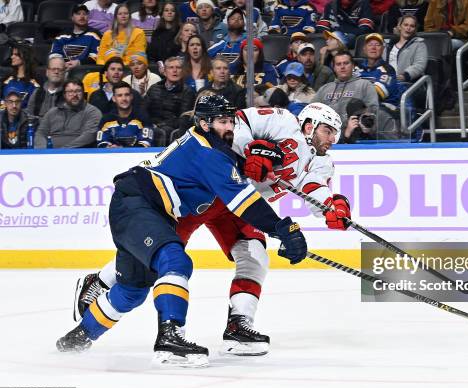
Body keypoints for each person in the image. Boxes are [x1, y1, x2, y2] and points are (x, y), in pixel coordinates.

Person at [71, 100, 348, 357]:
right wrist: (250, 152)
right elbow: (238, 123)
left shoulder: (322, 161)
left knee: (255, 256)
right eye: (328, 130)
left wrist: (334, 207)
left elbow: (315, 189)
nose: (332, 138)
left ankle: (239, 325)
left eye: (335, 133)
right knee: (161, 252)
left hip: (243, 200)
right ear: (310, 124)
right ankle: (103, 279)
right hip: (211, 190)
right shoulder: (283, 121)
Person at [313, 50, 379, 124]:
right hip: (327, 131)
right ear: (334, 68)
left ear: (353, 65)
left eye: (346, 63)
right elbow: (311, 109)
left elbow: (373, 109)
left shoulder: (365, 85)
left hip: (355, 131)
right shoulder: (324, 89)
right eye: (338, 64)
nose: (342, 67)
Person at [34, 79, 102, 148]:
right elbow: (41, 133)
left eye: (78, 91)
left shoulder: (92, 112)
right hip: (49, 154)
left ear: (83, 93)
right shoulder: (52, 112)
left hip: (77, 153)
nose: (74, 95)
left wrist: (64, 151)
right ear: (64, 95)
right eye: (70, 92)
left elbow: (89, 136)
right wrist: (42, 150)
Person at [145, 56, 197, 146]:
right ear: (164, 72)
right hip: (153, 127)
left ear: (182, 72)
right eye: (171, 67)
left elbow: (184, 118)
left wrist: (161, 124)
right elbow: (144, 111)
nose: (175, 70)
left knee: (165, 131)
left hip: (173, 129)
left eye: (178, 68)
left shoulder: (188, 92)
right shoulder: (154, 89)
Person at [97, 81, 154, 148]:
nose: (124, 99)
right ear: (114, 99)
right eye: (119, 95)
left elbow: (144, 145)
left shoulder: (143, 117)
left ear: (131, 97)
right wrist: (109, 147)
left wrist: (122, 150)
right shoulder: (106, 120)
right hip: (113, 157)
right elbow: (101, 143)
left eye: (127, 95)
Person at [50, 3, 101, 71]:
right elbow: (54, 55)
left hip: (85, 71)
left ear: (88, 17)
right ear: (72, 17)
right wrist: (62, 64)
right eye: (78, 13)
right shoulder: (62, 36)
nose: (82, 16)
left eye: (85, 14)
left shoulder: (94, 34)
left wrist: (79, 63)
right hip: (63, 70)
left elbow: (95, 57)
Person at [384, 14, 428, 83]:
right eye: (406, 25)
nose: (408, 28)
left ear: (415, 29)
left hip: (408, 83)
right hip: (386, 81)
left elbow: (419, 65)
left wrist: (406, 75)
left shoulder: (419, 44)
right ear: (399, 27)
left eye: (412, 26)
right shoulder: (388, 44)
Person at [1, 44, 39, 108]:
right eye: (12, 54)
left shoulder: (34, 83)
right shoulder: (7, 79)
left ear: (24, 56)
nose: (12, 57)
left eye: (16, 54)